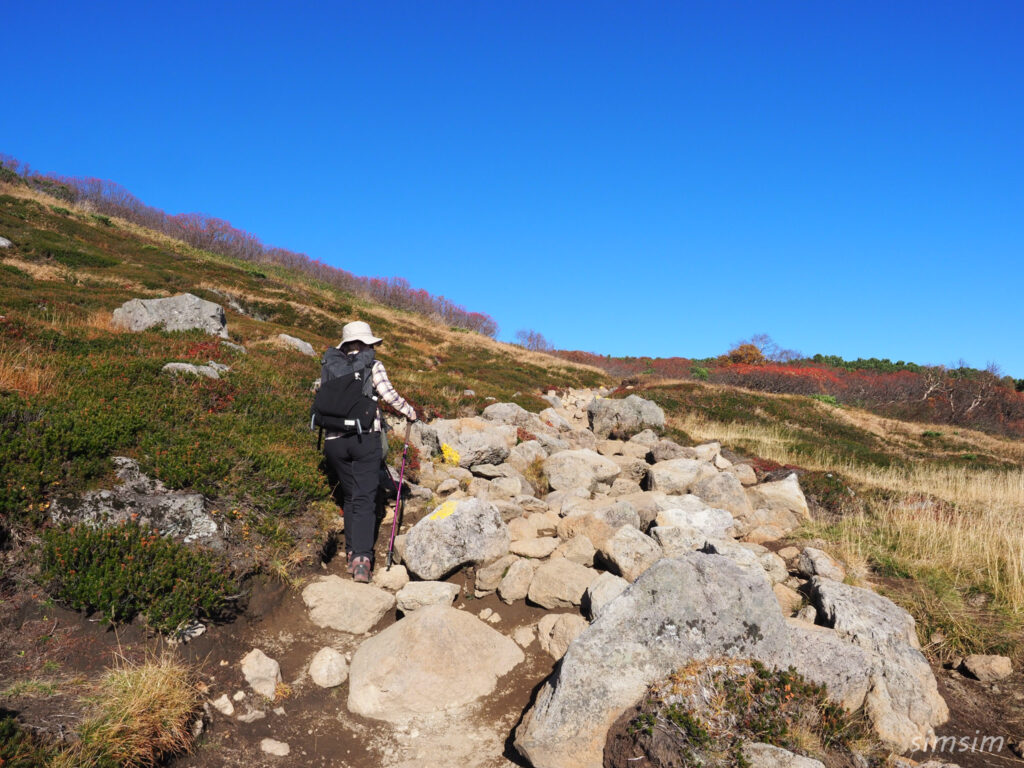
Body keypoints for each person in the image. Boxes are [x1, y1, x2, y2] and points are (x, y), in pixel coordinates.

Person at [320, 321, 417, 583]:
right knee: (365, 498)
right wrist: (410, 412)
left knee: (351, 496)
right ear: (365, 344)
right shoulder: (372, 365)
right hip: (364, 438)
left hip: (334, 440)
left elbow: (319, 395)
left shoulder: (330, 365)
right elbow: (388, 394)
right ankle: (362, 560)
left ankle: (352, 550)